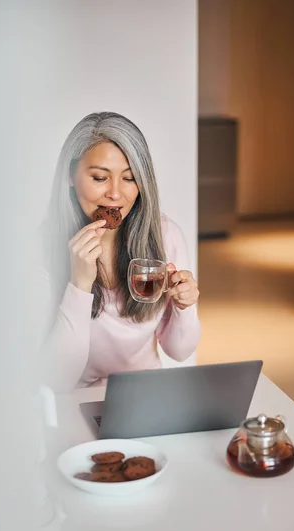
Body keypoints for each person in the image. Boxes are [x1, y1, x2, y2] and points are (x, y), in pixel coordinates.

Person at [39, 112, 201, 392]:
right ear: (70, 175)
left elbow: (180, 351)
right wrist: (79, 284)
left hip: (145, 393)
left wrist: (184, 307)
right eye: (100, 177)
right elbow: (55, 379)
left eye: (129, 179)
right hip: (74, 399)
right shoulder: (42, 246)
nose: (115, 194)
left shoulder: (165, 236)